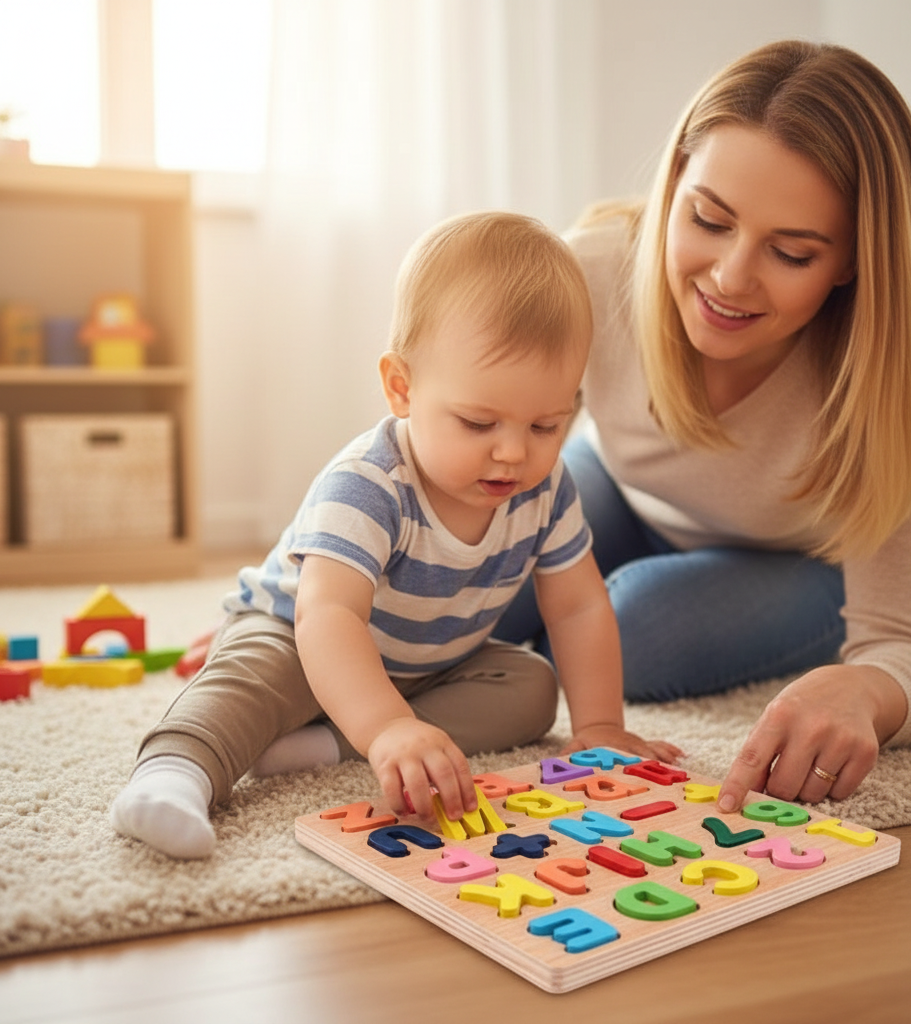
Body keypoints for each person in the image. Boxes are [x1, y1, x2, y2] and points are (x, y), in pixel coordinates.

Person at [110, 211, 680, 860]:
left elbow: (576, 604)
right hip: (306, 640)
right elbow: (329, 615)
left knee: (529, 688)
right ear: (401, 388)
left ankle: (317, 747)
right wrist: (386, 728)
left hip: (429, 664)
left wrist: (601, 726)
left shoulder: (547, 490)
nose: (513, 455)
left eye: (547, 426)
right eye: (478, 423)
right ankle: (172, 774)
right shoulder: (369, 484)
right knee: (251, 679)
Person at [496, 40, 911, 815]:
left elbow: (908, 643)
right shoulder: (592, 269)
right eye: (709, 219)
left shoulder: (890, 372)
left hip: (792, 567)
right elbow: (437, 453)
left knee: (628, 632)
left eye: (792, 252)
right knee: (474, 579)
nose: (731, 277)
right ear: (673, 185)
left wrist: (864, 691)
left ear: (851, 261)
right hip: (619, 491)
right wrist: (295, 606)